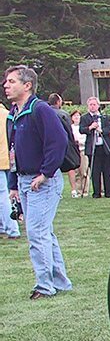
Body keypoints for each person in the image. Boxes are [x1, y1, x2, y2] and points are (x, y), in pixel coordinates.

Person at [4, 65, 72, 299]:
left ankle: (45, 286)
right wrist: (13, 184)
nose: (6, 85)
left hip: (42, 182)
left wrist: (45, 173)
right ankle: (60, 281)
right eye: (6, 81)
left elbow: (58, 142)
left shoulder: (40, 109)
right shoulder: (12, 114)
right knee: (44, 233)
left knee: (37, 233)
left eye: (12, 81)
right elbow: (14, 151)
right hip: (23, 181)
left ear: (27, 85)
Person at [80, 96, 110, 198]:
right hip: (93, 148)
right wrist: (90, 127)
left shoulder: (105, 117)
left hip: (104, 147)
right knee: (95, 171)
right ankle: (96, 193)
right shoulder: (85, 118)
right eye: (90, 105)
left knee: (107, 171)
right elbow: (82, 129)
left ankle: (109, 192)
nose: (92, 107)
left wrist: (101, 130)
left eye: (94, 104)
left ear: (98, 106)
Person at [0, 101, 21, 239]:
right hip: (10, 158)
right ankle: (4, 226)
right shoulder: (7, 114)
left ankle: (12, 228)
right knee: (8, 192)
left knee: (3, 196)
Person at [68, 109, 88, 197]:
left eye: (78, 115)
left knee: (84, 171)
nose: (76, 117)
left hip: (83, 150)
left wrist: (79, 141)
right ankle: (78, 190)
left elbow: (85, 138)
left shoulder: (83, 127)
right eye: (74, 116)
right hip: (74, 151)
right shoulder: (70, 127)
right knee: (76, 172)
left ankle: (85, 190)